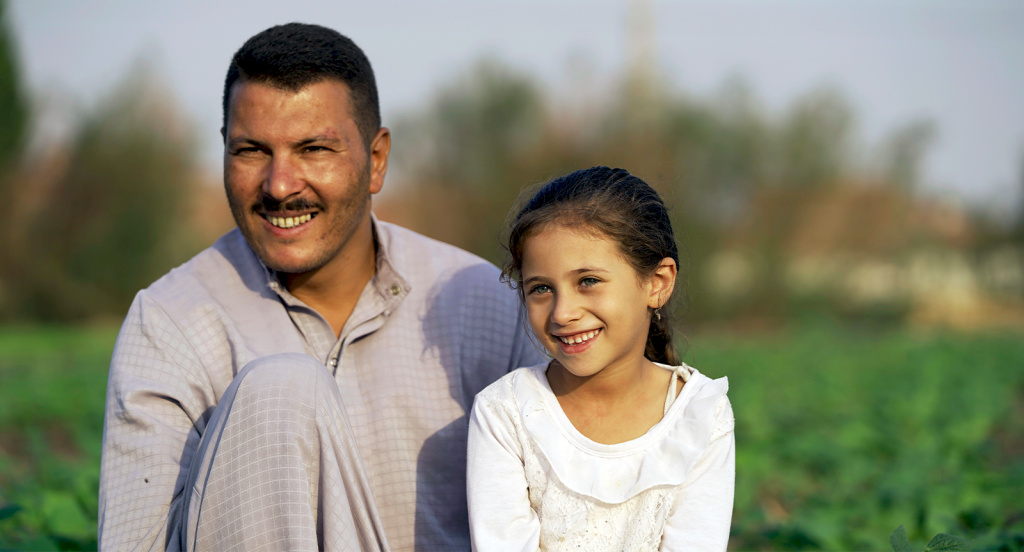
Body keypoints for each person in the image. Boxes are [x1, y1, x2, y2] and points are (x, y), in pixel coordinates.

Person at [98, 23, 543, 552]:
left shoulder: (485, 303)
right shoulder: (170, 322)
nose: (279, 185)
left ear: (376, 160)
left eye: (313, 148)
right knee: (279, 391)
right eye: (251, 150)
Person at [466, 166, 736, 551]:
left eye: (588, 281)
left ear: (657, 283)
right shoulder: (504, 413)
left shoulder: (701, 414)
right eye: (541, 288)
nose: (562, 313)